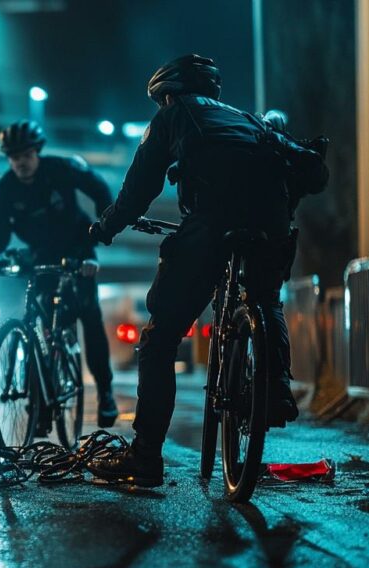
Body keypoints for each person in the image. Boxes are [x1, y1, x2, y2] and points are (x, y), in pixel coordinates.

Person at [87, 54, 328, 487]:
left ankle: (145, 459)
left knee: (160, 339)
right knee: (264, 297)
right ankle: (276, 389)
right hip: (272, 223)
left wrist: (106, 227)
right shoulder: (249, 121)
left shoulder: (173, 117)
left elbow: (140, 187)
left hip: (213, 223)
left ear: (168, 94)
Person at [0, 120, 120, 427]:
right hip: (40, 254)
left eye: (25, 155)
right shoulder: (5, 188)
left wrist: (104, 228)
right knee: (42, 325)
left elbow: (99, 187)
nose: (20, 163)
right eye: (13, 157)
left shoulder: (62, 169)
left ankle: (106, 393)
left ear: (37, 152)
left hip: (78, 248)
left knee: (89, 317)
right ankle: (41, 403)